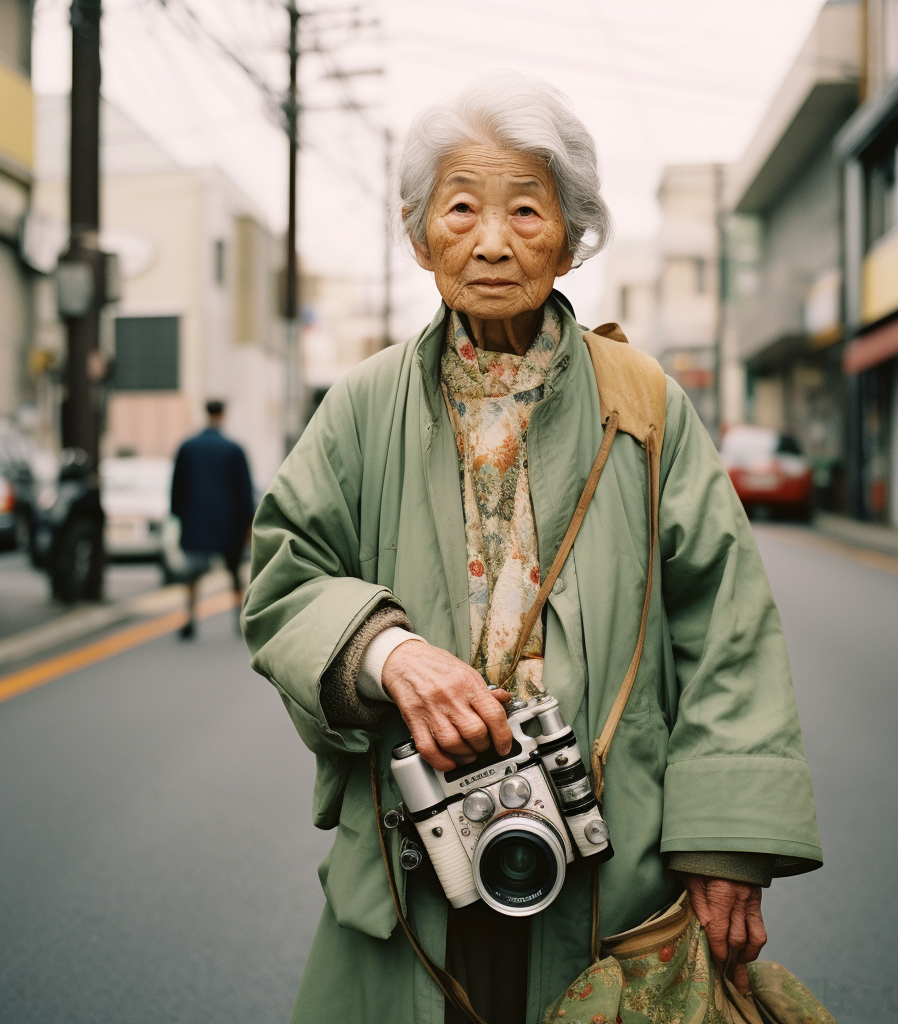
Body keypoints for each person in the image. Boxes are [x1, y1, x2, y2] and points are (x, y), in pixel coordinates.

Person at [241, 75, 822, 1024]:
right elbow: (283, 576)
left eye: (526, 208)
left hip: (614, 871)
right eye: (461, 208)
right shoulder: (360, 406)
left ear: (572, 231)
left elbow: (725, 623)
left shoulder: (643, 402)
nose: (494, 240)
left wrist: (727, 847)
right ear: (418, 230)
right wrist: (391, 654)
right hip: (414, 857)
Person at [171, 399, 254, 639]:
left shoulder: (187, 447)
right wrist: (248, 522)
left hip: (195, 521)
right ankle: (240, 620)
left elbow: (177, 487)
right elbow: (244, 489)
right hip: (229, 523)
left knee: (192, 573)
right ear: (223, 415)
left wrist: (178, 515)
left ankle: (189, 618)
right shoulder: (234, 449)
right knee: (234, 572)